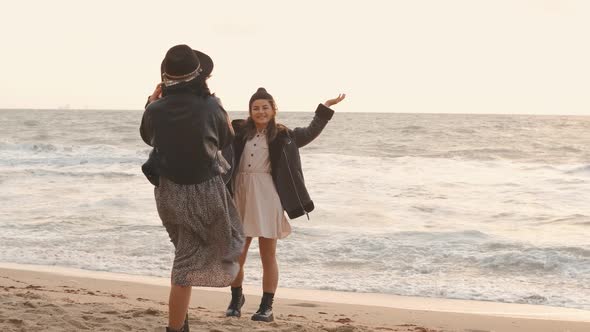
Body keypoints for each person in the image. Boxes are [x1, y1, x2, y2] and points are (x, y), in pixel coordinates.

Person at [140, 44, 244, 332]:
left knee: (183, 252)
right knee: (203, 254)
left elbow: (148, 137)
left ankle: (180, 322)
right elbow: (226, 137)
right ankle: (176, 327)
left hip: (168, 191)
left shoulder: (156, 108)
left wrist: (151, 102)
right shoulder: (211, 104)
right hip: (205, 189)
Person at [226, 87, 345, 322]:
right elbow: (214, 128)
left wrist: (326, 108)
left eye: (265, 107)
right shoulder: (238, 132)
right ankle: (236, 298)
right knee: (236, 254)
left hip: (267, 196)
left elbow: (311, 131)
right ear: (250, 111)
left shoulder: (284, 135)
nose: (260, 111)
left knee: (267, 255)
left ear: (273, 110)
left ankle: (266, 306)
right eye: (256, 108)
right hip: (239, 195)